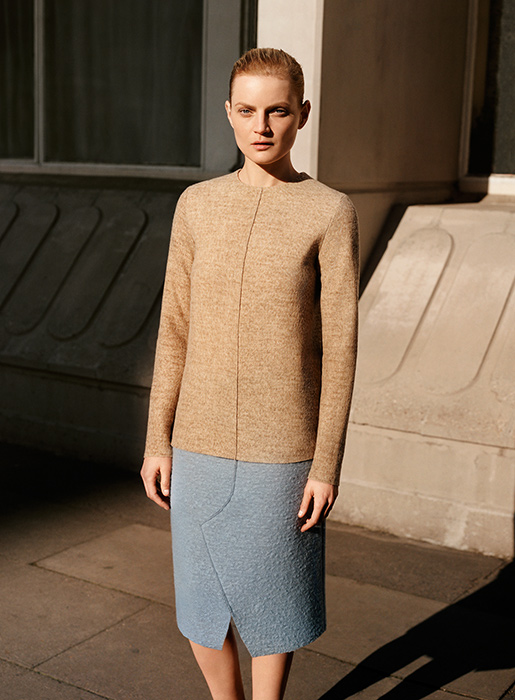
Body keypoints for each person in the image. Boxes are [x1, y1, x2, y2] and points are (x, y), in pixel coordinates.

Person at [140, 47, 359, 700]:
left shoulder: (329, 210)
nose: (261, 126)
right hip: (197, 443)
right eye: (246, 110)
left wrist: (325, 463)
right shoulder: (196, 205)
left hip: (283, 451)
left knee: (273, 603)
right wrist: (157, 440)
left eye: (277, 111)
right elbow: (173, 329)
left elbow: (340, 349)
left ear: (302, 114)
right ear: (228, 113)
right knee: (200, 604)